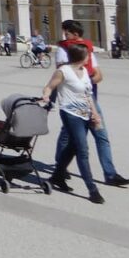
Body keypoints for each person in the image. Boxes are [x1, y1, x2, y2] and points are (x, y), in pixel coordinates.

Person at [52, 20, 129, 188]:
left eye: (67, 32)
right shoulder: (62, 50)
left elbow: (99, 76)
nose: (65, 35)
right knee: (68, 137)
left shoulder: (88, 48)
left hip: (91, 100)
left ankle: (110, 174)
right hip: (72, 103)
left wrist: (83, 78)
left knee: (101, 137)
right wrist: (83, 78)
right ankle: (60, 168)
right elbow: (62, 75)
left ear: (75, 33)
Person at [42, 43, 105, 203]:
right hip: (70, 114)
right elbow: (49, 86)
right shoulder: (63, 71)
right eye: (88, 56)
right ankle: (92, 190)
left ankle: (56, 177)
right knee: (82, 151)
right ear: (81, 57)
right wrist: (46, 96)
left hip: (85, 114)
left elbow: (88, 95)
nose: (89, 58)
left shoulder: (84, 72)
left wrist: (95, 114)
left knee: (72, 148)